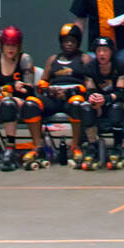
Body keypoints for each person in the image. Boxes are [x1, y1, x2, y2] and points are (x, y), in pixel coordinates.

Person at [0, 26, 47, 171]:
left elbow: (28, 91)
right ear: (2, 45)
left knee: (8, 104)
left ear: (19, 46)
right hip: (1, 99)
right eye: (8, 45)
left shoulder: (25, 60)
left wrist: (6, 92)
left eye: (14, 45)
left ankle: (10, 147)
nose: (11, 49)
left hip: (21, 102)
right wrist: (9, 88)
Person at [75, 37, 124, 169]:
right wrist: (94, 100)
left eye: (105, 50)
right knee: (85, 108)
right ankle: (92, 145)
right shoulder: (90, 67)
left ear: (111, 52)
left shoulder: (120, 65)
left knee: (116, 108)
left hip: (119, 101)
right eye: (99, 50)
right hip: (98, 103)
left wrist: (105, 99)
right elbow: (90, 91)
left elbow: (121, 93)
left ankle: (117, 146)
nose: (102, 54)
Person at [40, 25, 95, 165]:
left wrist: (72, 92)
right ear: (61, 42)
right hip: (53, 97)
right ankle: (38, 147)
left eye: (73, 41)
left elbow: (90, 84)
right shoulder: (53, 59)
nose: (69, 44)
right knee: (31, 104)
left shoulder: (84, 58)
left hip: (72, 97)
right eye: (66, 40)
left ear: (78, 43)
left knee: (77, 103)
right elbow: (42, 82)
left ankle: (75, 146)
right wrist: (48, 90)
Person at [72, 0, 124, 67]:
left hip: (123, 45)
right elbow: (80, 21)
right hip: (96, 46)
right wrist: (75, 49)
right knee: (95, 77)